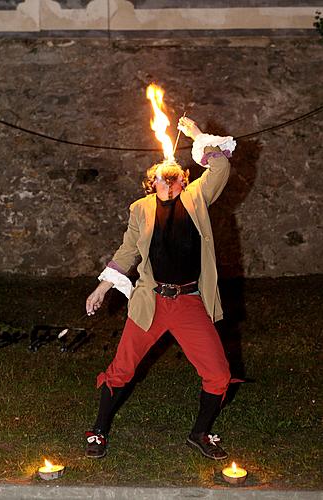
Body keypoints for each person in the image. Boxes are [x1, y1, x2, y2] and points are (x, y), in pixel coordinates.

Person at [85, 116, 236, 460]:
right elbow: (127, 252)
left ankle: (200, 433)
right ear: (151, 183)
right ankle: (98, 430)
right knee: (121, 369)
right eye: (158, 172)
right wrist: (102, 288)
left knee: (218, 374)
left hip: (188, 302)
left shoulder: (197, 197)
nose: (167, 172)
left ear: (184, 178)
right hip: (151, 301)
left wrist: (197, 136)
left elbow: (222, 166)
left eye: (174, 170)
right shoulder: (141, 209)